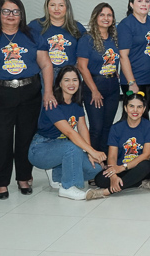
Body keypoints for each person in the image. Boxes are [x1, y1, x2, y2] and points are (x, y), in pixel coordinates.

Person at [0, 0, 56, 199]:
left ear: (21, 14)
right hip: (0, 94)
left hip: (29, 92)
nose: (11, 15)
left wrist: (48, 91)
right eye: (6, 11)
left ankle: (24, 177)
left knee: (26, 136)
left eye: (15, 11)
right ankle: (1, 182)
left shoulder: (32, 35)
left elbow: (46, 64)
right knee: (2, 138)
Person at [28, 65, 105, 200]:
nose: (71, 84)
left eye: (75, 80)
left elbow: (82, 128)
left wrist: (90, 153)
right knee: (72, 147)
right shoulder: (52, 103)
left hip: (62, 146)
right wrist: (92, 151)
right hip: (41, 148)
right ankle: (68, 187)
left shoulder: (76, 103)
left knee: (95, 169)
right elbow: (70, 132)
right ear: (59, 83)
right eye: (67, 80)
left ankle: (55, 174)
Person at [87, 91, 150, 199]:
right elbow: (112, 156)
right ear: (125, 108)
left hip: (137, 167)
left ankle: (107, 192)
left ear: (143, 109)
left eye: (139, 107)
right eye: (131, 106)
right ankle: (138, 182)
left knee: (147, 165)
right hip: (119, 169)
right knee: (100, 180)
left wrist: (122, 168)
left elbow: (146, 155)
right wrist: (113, 176)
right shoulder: (116, 128)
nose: (135, 110)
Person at [77, 3, 121, 154]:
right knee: (96, 128)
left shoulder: (115, 38)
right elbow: (82, 67)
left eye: (109, 15)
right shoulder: (87, 39)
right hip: (94, 86)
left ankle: (105, 160)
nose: (106, 18)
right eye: (102, 15)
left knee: (108, 127)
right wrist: (94, 90)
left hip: (113, 86)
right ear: (95, 17)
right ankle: (92, 160)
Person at [117, 0, 150, 118]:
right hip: (134, 80)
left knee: (144, 116)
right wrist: (132, 83)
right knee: (132, 117)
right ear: (131, 4)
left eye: (147, 1)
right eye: (140, 1)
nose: (144, 4)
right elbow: (123, 56)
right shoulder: (126, 25)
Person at [28, 0, 85, 78]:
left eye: (61, 5)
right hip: (43, 74)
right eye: (52, 5)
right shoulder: (35, 26)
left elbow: (86, 51)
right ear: (47, 7)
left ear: (67, 7)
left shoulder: (77, 27)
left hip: (69, 74)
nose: (56, 9)